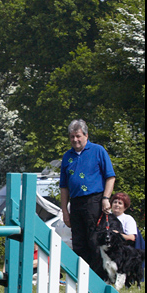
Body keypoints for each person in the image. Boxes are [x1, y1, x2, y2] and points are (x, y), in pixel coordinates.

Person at [59, 119, 115, 281]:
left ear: (86, 135)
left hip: (95, 200)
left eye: (78, 136)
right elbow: (64, 186)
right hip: (76, 203)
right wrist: (65, 210)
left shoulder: (98, 150)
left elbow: (110, 177)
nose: (75, 140)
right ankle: (80, 277)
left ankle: (97, 279)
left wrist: (106, 198)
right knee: (78, 241)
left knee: (94, 240)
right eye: (72, 137)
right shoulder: (67, 156)